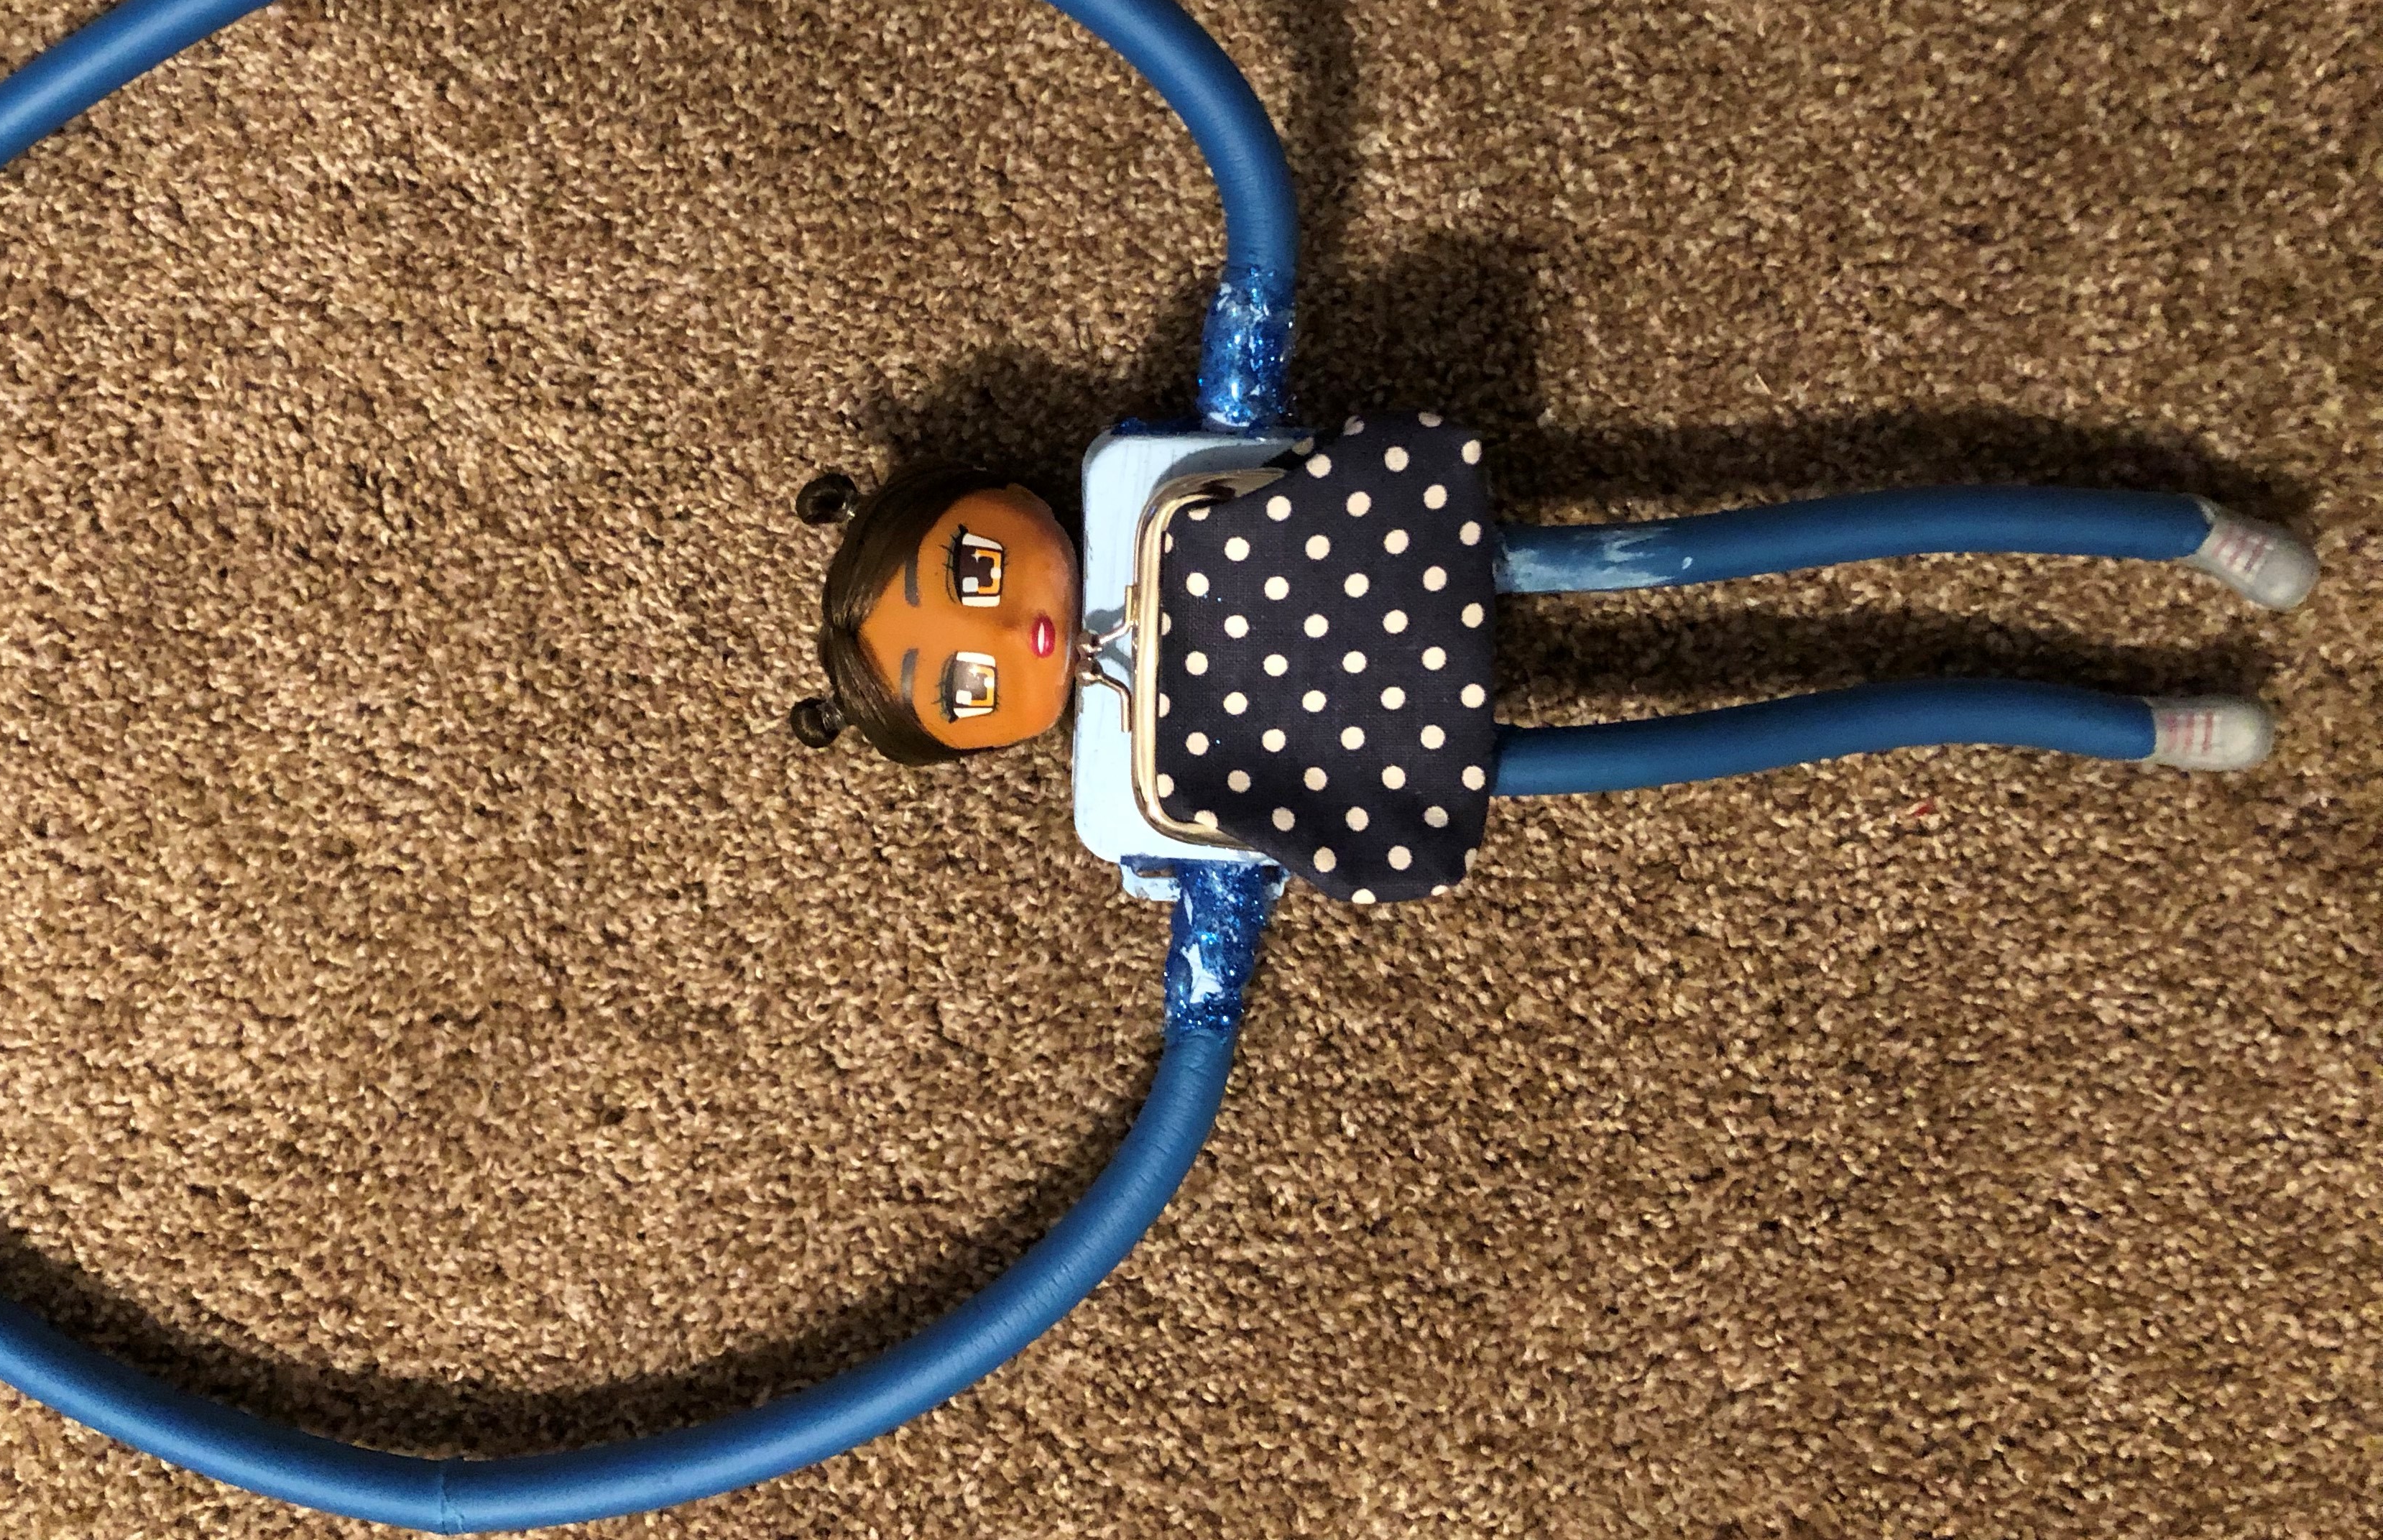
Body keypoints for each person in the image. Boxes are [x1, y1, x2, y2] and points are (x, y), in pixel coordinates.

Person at [791, 415, 2316, 904]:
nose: (1001, 635)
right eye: (967, 690)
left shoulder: (1136, 488)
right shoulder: (1119, 807)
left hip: (1437, 555)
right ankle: (2142, 725)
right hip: (1419, 762)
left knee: (1746, 545)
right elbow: (1223, 860)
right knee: (1809, 722)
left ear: (984, 496)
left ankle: (2181, 533)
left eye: (970, 571)